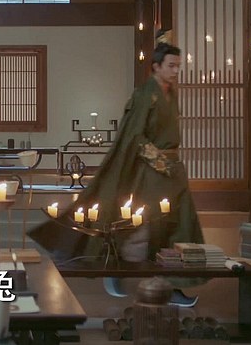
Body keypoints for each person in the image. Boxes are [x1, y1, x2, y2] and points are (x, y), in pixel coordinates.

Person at [29, 38, 204, 307]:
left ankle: (172, 282)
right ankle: (121, 270)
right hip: (151, 172)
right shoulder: (145, 94)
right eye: (171, 65)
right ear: (156, 66)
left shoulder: (171, 93)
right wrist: (161, 162)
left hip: (173, 172)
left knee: (179, 225)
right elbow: (135, 136)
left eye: (178, 66)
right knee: (148, 225)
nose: (176, 71)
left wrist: (172, 165)